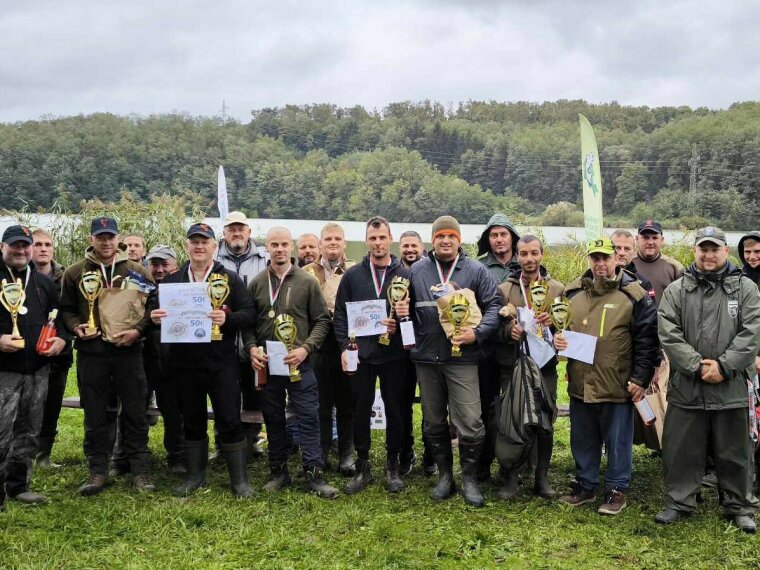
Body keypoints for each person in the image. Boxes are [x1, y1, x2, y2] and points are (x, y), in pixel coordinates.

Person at [655, 227, 760, 533]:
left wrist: (725, 367)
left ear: (726, 252)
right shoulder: (677, 290)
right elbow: (668, 334)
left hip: (732, 386)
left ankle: (739, 504)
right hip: (687, 386)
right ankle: (678, 501)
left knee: (735, 450)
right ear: (695, 251)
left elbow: (752, 331)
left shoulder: (746, 290)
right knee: (681, 448)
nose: (709, 255)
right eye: (704, 249)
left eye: (715, 249)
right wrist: (698, 366)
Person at [399, 215, 501, 507]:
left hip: (464, 358)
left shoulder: (476, 270)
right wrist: (402, 310)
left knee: (470, 421)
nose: (445, 240)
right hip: (427, 358)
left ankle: (469, 479)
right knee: (432, 421)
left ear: (459, 240)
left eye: (451, 236)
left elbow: (494, 306)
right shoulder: (416, 270)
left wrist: (477, 333)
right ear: (433, 240)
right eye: (440, 236)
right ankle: (445, 477)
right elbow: (402, 309)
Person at [554, 237, 658, 515]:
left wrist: (640, 379)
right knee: (583, 437)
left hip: (618, 382)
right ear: (590, 260)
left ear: (617, 259)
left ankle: (616, 490)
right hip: (581, 380)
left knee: (618, 441)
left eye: (605, 258)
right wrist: (557, 339)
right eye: (595, 258)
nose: (600, 264)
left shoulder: (634, 294)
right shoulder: (572, 293)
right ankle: (585, 485)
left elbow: (647, 340)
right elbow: (559, 328)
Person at [151, 223, 256, 497]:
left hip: (221, 363)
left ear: (213, 246)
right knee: (192, 419)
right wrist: (154, 317)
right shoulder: (172, 282)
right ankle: (195, 476)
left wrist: (228, 319)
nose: (199, 246)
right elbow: (153, 313)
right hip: (184, 364)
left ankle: (240, 481)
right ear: (186, 247)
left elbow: (249, 314)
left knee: (230, 419)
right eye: (194, 242)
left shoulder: (229, 279)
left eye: (204, 242)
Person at [59, 217, 156, 495]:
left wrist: (138, 331)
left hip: (128, 353)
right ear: (92, 239)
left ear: (118, 238)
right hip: (92, 354)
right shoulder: (75, 272)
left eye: (110, 236)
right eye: (100, 236)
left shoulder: (136, 270)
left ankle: (139, 470)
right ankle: (98, 471)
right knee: (95, 413)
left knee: (136, 412)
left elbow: (153, 306)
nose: (106, 241)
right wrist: (77, 327)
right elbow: (66, 309)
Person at [244, 227, 337, 498]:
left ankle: (314, 474)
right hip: (268, 365)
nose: (280, 249)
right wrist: (251, 348)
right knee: (273, 419)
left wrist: (307, 349)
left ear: (292, 247)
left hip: (300, 362)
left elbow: (322, 321)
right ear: (266, 248)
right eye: (274, 244)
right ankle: (278, 471)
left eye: (284, 244)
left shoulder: (307, 282)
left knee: (309, 416)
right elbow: (249, 324)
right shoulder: (257, 283)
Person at [333, 216, 412, 494]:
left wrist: (401, 323)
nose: (377, 243)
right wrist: (344, 346)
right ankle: (363, 467)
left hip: (394, 356)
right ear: (366, 240)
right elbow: (341, 314)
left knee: (396, 410)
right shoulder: (353, 275)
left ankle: (392, 467)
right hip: (362, 355)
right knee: (360, 411)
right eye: (372, 238)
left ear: (390, 239)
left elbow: (415, 318)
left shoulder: (406, 276)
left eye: (382, 238)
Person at [0, 225, 66, 511]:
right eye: (15, 245)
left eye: (25, 245)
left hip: (38, 369)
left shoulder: (42, 283)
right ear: (2, 247)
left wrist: (62, 338)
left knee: (28, 430)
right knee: (1, 431)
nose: (22, 250)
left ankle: (19, 486)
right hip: (4, 370)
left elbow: (59, 317)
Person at [496, 235, 564, 499]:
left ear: (542, 255)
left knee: (545, 419)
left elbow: (567, 327)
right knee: (513, 419)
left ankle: (541, 478)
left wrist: (552, 325)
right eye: (523, 254)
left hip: (545, 365)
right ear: (517, 256)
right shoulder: (505, 290)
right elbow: (495, 325)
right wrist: (508, 331)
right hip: (514, 365)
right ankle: (511, 477)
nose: (529, 259)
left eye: (534, 253)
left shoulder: (557, 289)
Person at [302, 223, 355, 476]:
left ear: (344, 243)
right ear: (320, 244)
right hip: (317, 347)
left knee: (347, 402)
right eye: (327, 239)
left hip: (346, 346)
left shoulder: (355, 271)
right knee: (320, 403)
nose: (332, 243)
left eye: (337, 239)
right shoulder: (305, 272)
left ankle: (346, 452)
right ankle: (321, 450)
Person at [215, 211, 268, 460]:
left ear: (249, 232)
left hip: (252, 339)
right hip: (219, 341)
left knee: (253, 393)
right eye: (231, 229)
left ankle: (252, 440)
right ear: (224, 233)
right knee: (222, 394)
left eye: (241, 229)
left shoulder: (263, 258)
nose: (236, 233)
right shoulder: (213, 258)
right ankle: (222, 443)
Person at [475, 214, 521, 481]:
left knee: (513, 406)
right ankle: (483, 461)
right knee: (484, 407)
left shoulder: (526, 264)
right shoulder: (479, 267)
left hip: (514, 350)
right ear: (487, 240)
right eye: (494, 235)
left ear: (512, 238)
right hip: (485, 349)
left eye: (504, 234)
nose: (499, 239)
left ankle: (513, 462)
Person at [30, 228, 73, 468]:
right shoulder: (18, 276)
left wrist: (64, 339)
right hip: (25, 355)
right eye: (38, 244)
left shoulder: (66, 276)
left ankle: (43, 455)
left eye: (47, 244)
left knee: (52, 404)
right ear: (29, 247)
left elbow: (70, 314)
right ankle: (22, 452)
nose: (43, 248)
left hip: (58, 354)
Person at [143, 245, 185, 474]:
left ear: (175, 265)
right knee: (135, 409)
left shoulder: (184, 287)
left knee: (173, 410)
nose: (159, 269)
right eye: (154, 264)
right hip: (143, 358)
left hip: (172, 361)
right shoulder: (139, 287)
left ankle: (177, 456)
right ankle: (131, 457)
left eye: (164, 264)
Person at [397, 229, 434, 475]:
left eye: (414, 245)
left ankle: (431, 456)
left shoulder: (431, 271)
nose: (410, 249)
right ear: (399, 248)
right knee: (403, 404)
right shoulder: (393, 273)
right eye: (405, 246)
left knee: (432, 405)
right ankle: (405, 453)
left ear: (422, 247)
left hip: (428, 346)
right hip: (400, 350)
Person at [739, 231, 760, 493]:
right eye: (748, 252)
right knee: (750, 418)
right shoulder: (741, 279)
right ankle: (749, 469)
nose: (753, 257)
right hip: (746, 359)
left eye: (757, 252)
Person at [633, 220, 684, 304]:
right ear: (637, 239)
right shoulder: (627, 264)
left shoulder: (675, 267)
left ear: (662, 240)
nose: (650, 242)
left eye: (655, 238)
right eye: (645, 238)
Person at [611, 229, 654, 296]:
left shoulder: (644, 284)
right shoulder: (597, 277)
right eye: (617, 248)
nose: (622, 253)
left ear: (634, 252)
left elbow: (651, 306)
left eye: (627, 249)